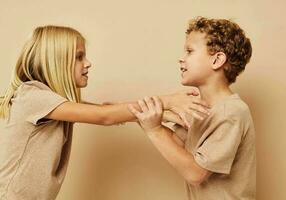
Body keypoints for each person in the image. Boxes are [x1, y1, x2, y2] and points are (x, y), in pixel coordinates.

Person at [0, 25, 209, 200]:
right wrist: (167, 100)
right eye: (79, 57)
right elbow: (105, 117)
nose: (88, 63)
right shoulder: (32, 97)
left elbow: (104, 110)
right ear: (56, 61)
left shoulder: (54, 103)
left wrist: (164, 112)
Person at [129, 16, 255, 200]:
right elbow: (175, 141)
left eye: (189, 51)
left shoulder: (231, 112)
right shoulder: (200, 108)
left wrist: (154, 130)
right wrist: (141, 118)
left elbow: (196, 173)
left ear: (217, 60)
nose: (181, 58)